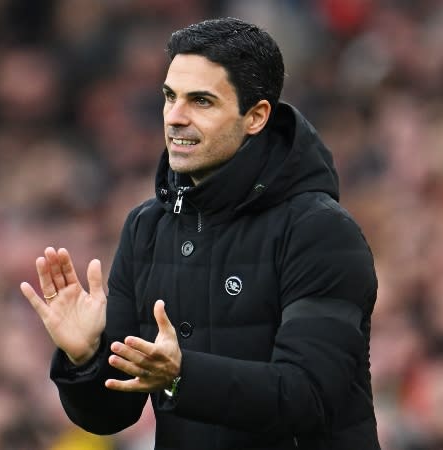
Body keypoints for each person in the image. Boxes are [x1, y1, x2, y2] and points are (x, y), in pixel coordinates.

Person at [20, 17, 380, 450]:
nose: (175, 117)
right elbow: (112, 412)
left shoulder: (319, 230)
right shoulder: (146, 227)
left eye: (201, 102)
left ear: (256, 117)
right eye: (170, 97)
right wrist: (86, 361)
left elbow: (310, 396)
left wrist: (181, 375)